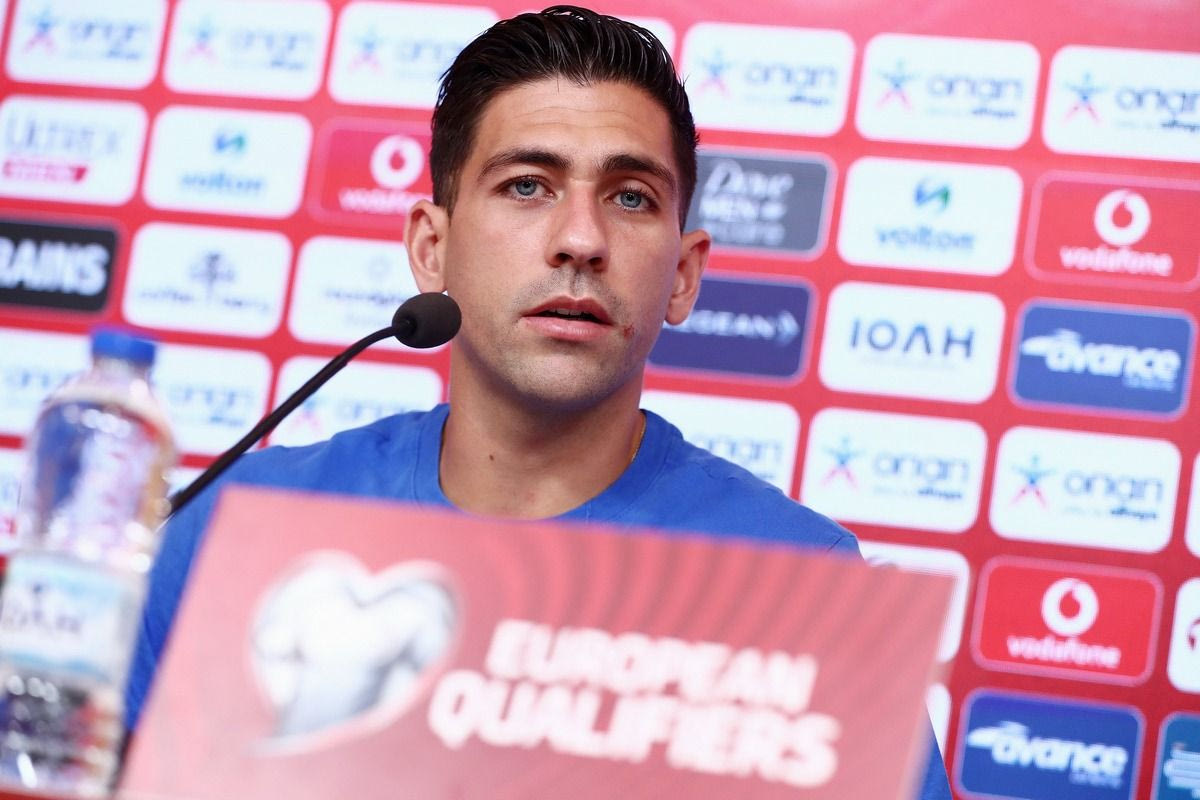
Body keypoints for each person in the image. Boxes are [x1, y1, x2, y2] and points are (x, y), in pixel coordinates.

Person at [128, 6, 951, 798]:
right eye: (527, 186)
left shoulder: (801, 585)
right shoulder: (238, 531)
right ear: (432, 247)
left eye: (631, 197)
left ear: (684, 275)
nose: (581, 240)